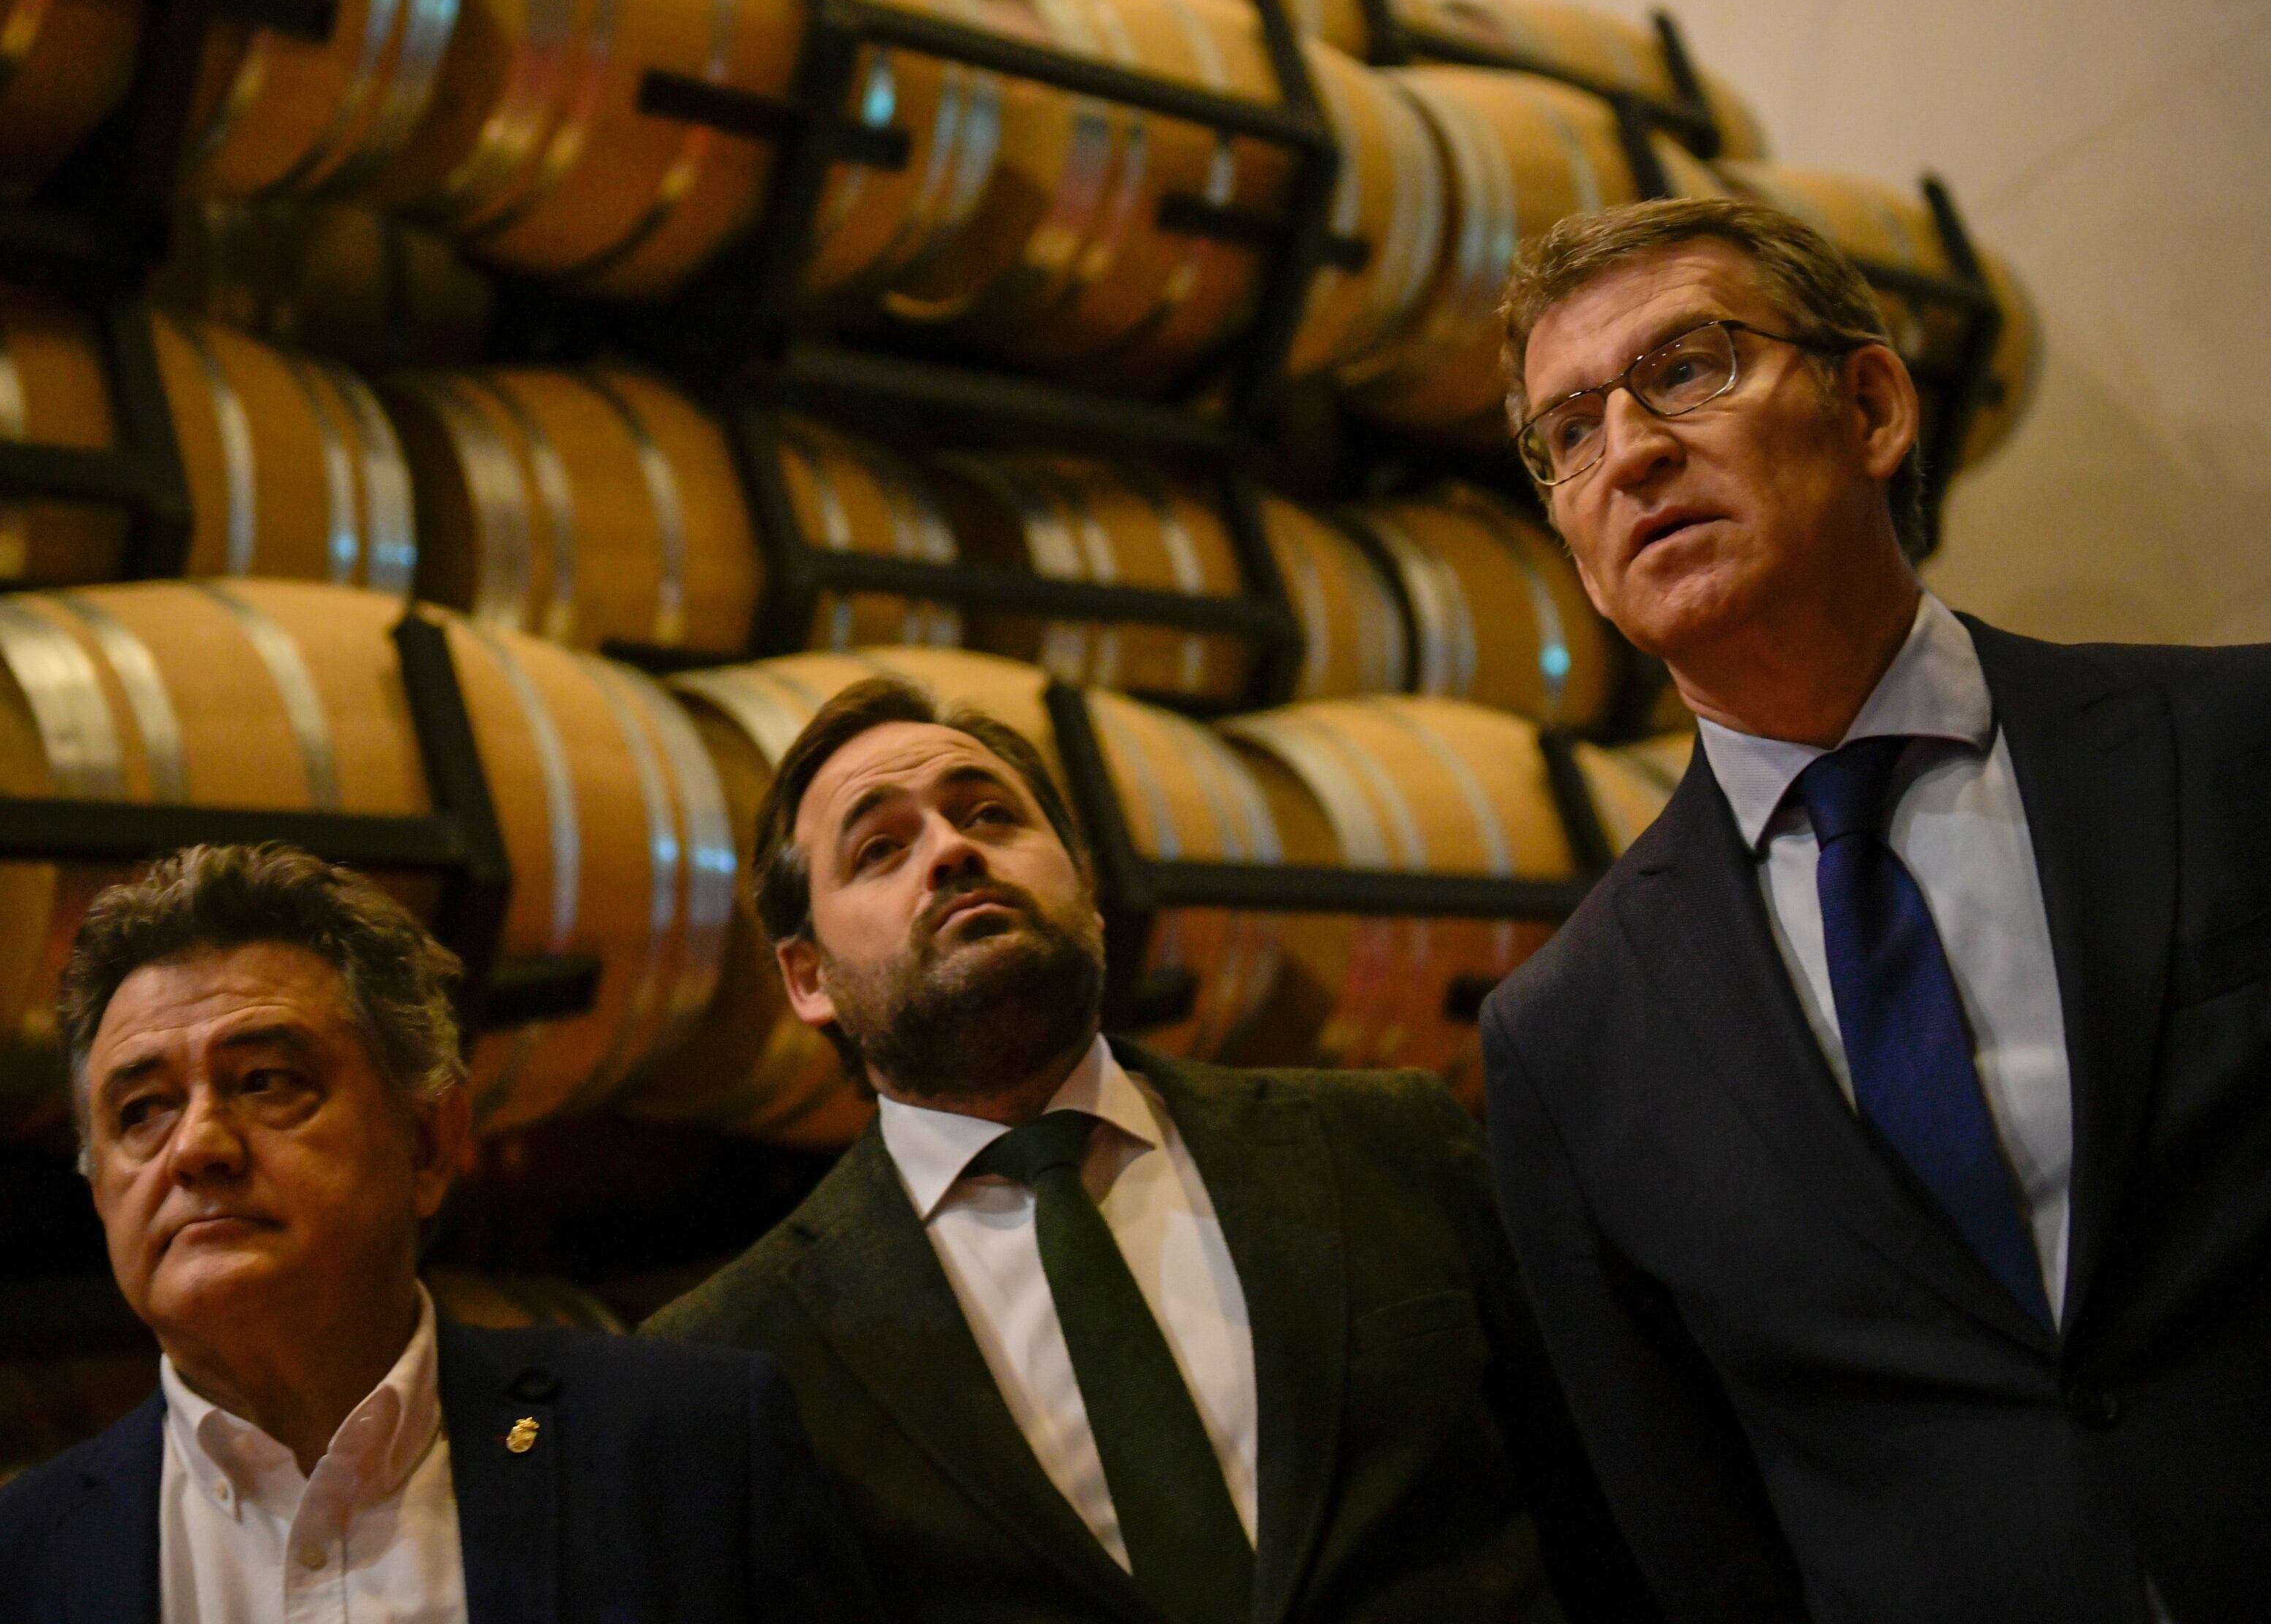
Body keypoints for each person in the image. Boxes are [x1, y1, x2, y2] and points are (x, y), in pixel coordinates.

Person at [1479, 195, 2271, 1624]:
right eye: (1570, 432)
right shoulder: (1567, 1038)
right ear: (1572, 542)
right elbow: (1687, 1542)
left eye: (1688, 368)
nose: (1630, 449)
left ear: (1874, 406)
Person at [644, 678, 1655, 1624]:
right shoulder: (729, 1360)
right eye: (879, 849)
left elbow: (1620, 1511)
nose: (950, 850)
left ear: (1085, 887)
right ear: (808, 977)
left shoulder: (1392, 1141)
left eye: (988, 814)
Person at [0, 843, 881, 1624]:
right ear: (98, 1187)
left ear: (428, 1142)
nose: (198, 1146)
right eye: (140, 1110)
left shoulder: (692, 1455)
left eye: (265, 1081)